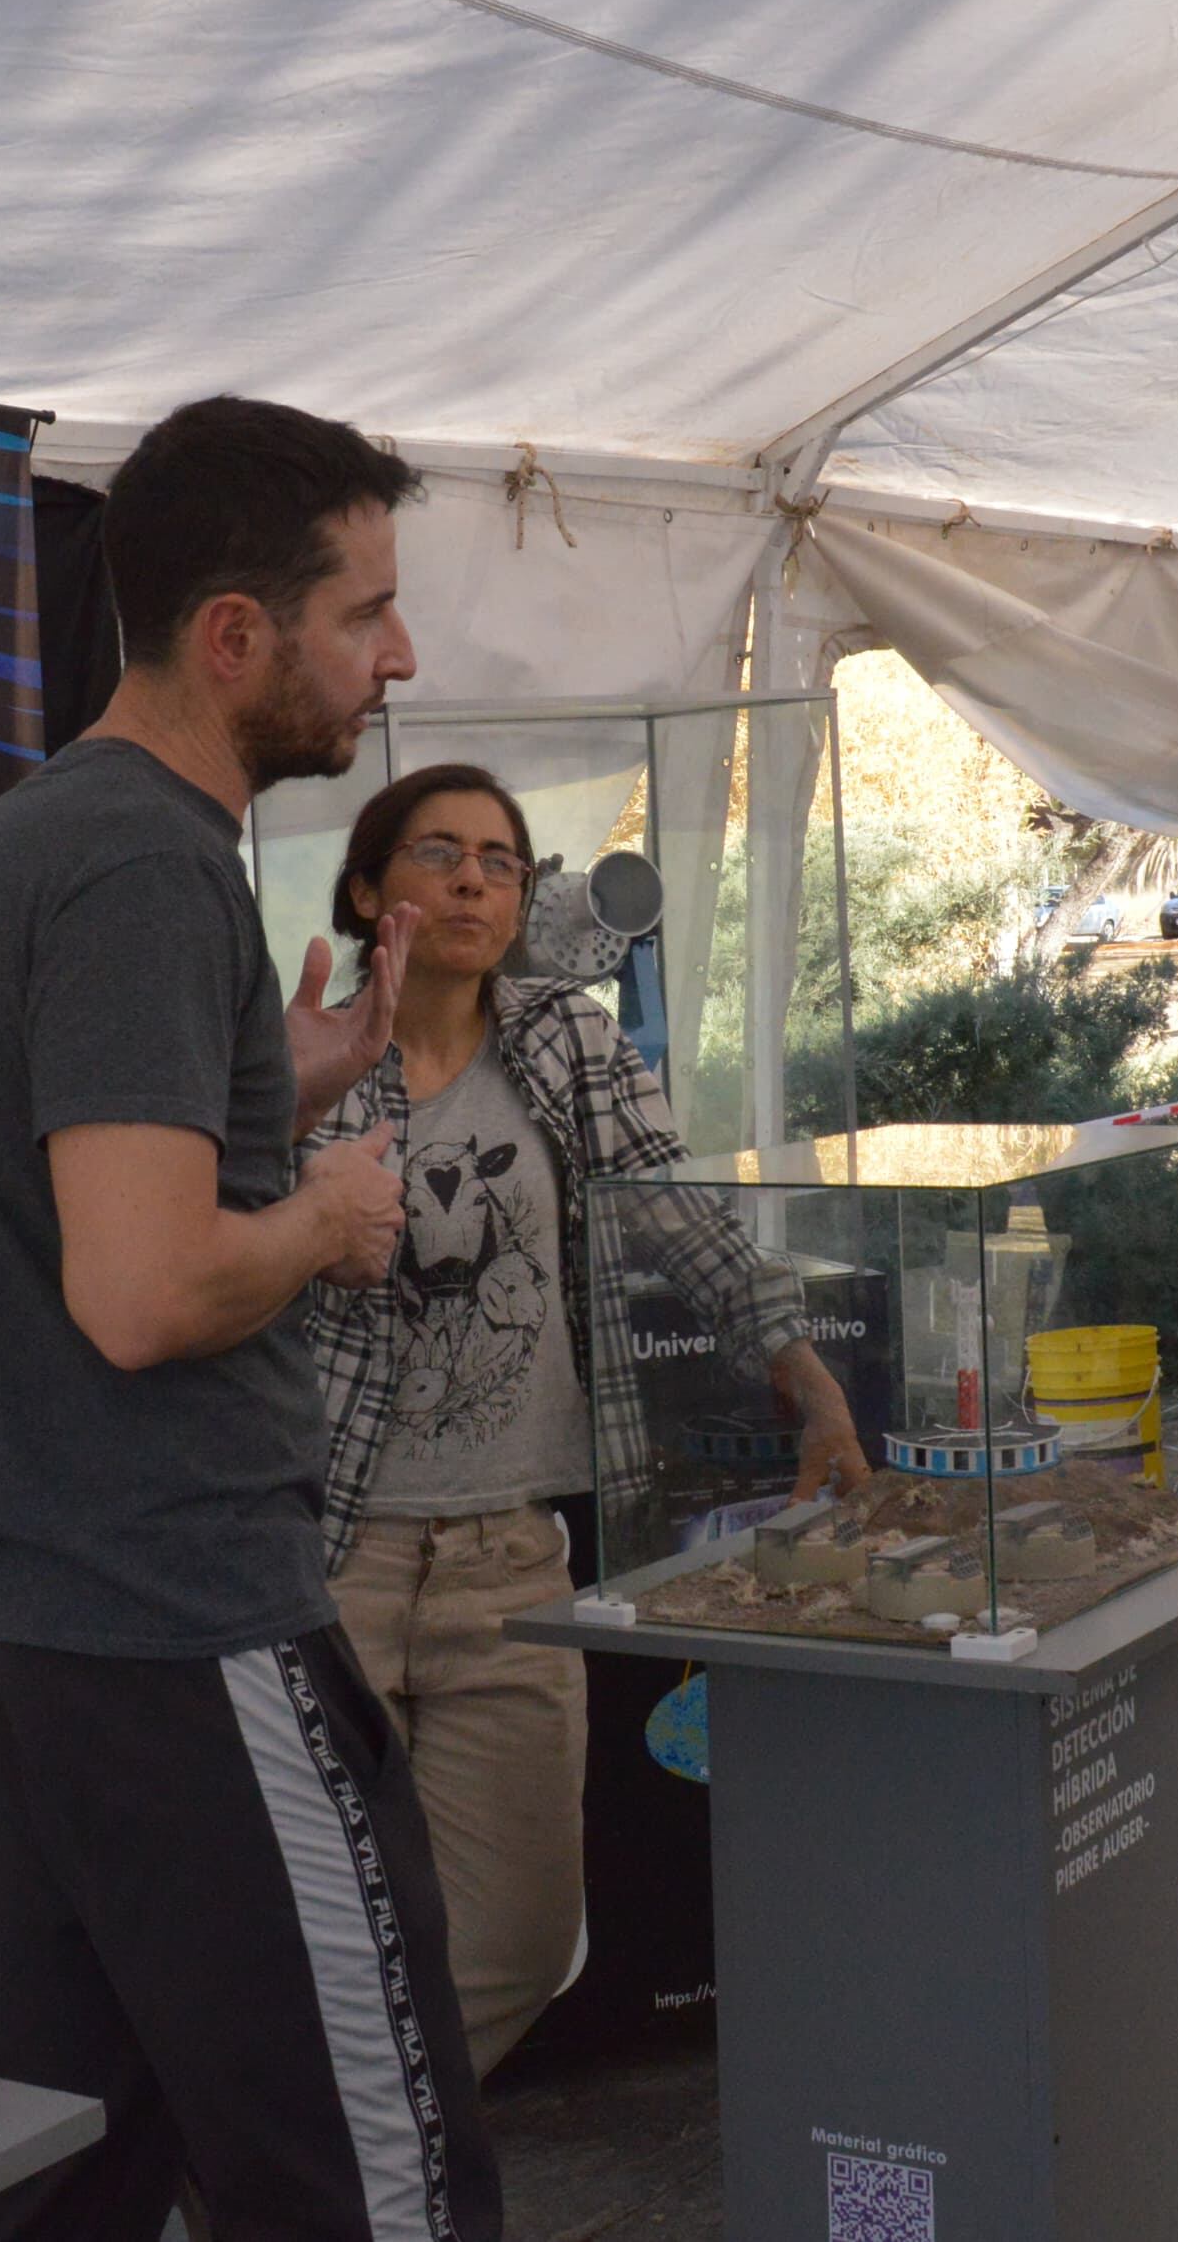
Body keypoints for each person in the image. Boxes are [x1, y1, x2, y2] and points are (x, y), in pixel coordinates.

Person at [0, 395, 505, 2241]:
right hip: (190, 1627)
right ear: (233, 635)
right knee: (383, 2189)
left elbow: (86, 1196)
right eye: (363, 614)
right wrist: (323, 1213)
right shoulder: (152, 865)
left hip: (53, 1624)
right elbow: (143, 1291)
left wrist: (279, 1096)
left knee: (70, 2181)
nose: (397, 661)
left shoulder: (21, 847)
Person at [299, 762, 868, 2077]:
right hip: (333, 1556)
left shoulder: (567, 1041)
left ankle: (356, 2164)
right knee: (321, 1931)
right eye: (438, 853)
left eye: (503, 861)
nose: (473, 881)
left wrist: (804, 1366)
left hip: (514, 1560)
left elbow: (680, 1217)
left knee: (517, 1937)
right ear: (367, 888)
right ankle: (349, 2187)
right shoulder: (304, 1060)